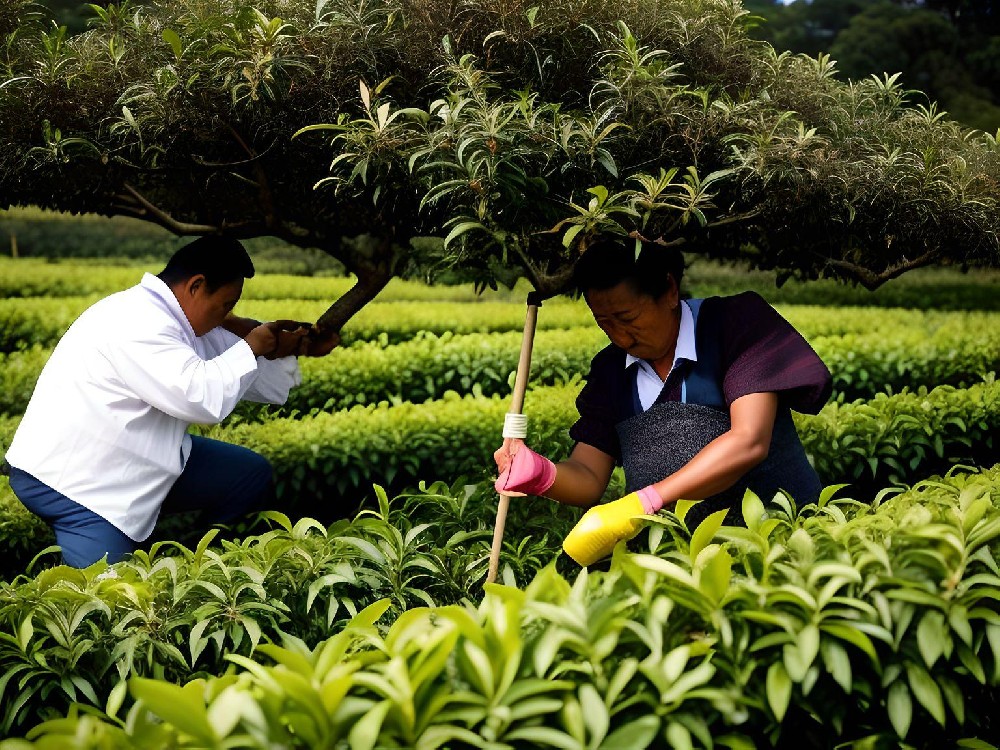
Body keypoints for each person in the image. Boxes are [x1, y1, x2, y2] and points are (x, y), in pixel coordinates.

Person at [494, 238, 832, 566]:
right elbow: (588, 476)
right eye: (604, 323)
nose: (620, 337)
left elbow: (749, 440)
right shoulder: (610, 370)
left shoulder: (734, 325)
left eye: (628, 318)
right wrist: (541, 474)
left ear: (669, 290)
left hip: (777, 549)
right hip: (674, 564)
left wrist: (647, 500)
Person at [4, 236, 338, 568]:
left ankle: (201, 561)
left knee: (248, 474)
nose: (227, 315)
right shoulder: (138, 321)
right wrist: (250, 345)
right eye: (225, 305)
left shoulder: (177, 320)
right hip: (79, 480)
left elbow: (248, 373)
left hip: (135, 455)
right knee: (115, 602)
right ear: (196, 286)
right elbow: (201, 398)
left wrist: (291, 344)